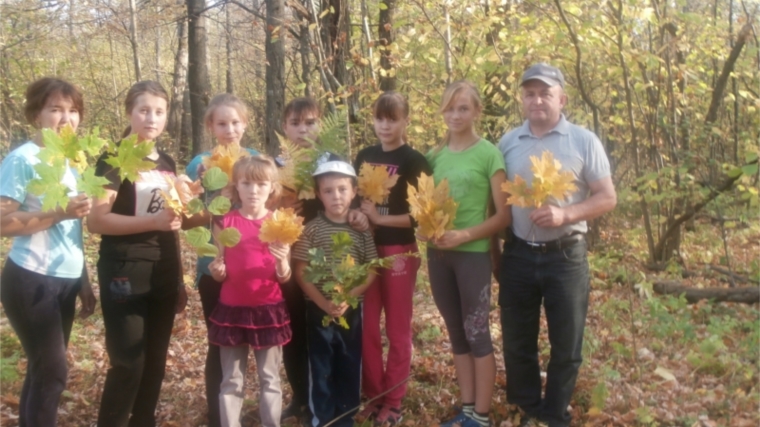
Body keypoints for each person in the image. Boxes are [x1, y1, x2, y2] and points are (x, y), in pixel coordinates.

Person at [497, 63, 617, 427]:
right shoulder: (507, 143)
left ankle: (554, 415)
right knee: (517, 342)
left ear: (561, 99)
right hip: (518, 254)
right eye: (530, 93)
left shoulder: (583, 140)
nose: (537, 100)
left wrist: (566, 214)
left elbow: (607, 197)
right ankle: (526, 408)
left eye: (545, 93)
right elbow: (497, 204)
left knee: (566, 345)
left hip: (566, 256)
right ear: (522, 99)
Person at [88, 81, 187, 427]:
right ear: (129, 112)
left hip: (163, 268)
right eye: (144, 110)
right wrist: (152, 220)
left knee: (156, 360)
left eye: (159, 111)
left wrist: (179, 278)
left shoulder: (167, 162)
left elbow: (171, 221)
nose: (151, 118)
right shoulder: (112, 159)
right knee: (129, 362)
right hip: (124, 269)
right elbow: (97, 220)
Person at [0, 77, 96, 427]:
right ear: (36, 114)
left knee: (42, 371)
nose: (66, 119)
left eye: (73, 111)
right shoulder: (23, 159)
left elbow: (74, 226)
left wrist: (83, 279)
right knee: (54, 372)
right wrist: (58, 212)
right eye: (55, 109)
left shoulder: (75, 160)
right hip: (30, 278)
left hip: (65, 279)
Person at [425, 81, 511, 427]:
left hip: (473, 255)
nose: (455, 115)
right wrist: (424, 229)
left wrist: (465, 234)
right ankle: (467, 407)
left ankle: (482, 415)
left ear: (477, 111)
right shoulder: (433, 156)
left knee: (477, 332)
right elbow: (424, 208)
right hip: (438, 256)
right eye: (449, 108)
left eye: (463, 108)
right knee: (456, 332)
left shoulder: (489, 154)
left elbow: (503, 216)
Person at [277, 97, 368, 422]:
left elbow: (352, 200)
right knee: (294, 333)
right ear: (285, 128)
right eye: (295, 123)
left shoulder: (333, 165)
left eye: (311, 122)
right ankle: (302, 397)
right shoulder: (278, 166)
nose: (303, 130)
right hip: (290, 263)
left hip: (333, 266)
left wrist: (358, 216)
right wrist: (280, 200)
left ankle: (338, 402)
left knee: (331, 336)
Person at [353, 92, 430, 425]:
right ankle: (374, 395)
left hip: (399, 249)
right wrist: (360, 218)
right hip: (367, 251)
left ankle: (394, 398)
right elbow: (354, 202)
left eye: (392, 118)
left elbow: (422, 215)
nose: (385, 125)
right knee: (367, 326)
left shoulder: (415, 160)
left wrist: (380, 218)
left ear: (405, 121)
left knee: (397, 328)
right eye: (380, 118)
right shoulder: (365, 156)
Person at [184, 93, 259, 427]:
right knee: (220, 342)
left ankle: (242, 409)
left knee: (253, 343)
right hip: (214, 267)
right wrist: (219, 200)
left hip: (254, 268)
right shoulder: (200, 163)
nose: (230, 129)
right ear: (210, 126)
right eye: (222, 123)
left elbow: (268, 208)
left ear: (245, 124)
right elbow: (188, 217)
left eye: (235, 122)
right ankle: (219, 417)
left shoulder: (256, 159)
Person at [207, 155, 293, 427]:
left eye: (260, 184)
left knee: (270, 378)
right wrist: (217, 271)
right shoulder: (225, 223)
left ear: (271, 188)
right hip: (232, 309)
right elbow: (218, 266)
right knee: (231, 379)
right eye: (246, 184)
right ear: (235, 187)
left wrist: (281, 261)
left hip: (268, 310)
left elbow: (285, 276)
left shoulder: (279, 223)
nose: (253, 191)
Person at [292, 160, 379, 427]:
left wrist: (348, 297)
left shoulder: (361, 231)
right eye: (328, 191)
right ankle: (323, 418)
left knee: (349, 361)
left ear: (354, 192)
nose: (336, 196)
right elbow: (301, 270)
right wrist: (322, 302)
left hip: (351, 309)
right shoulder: (312, 229)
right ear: (319, 194)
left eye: (342, 189)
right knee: (320, 365)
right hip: (318, 310)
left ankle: (346, 416)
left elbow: (372, 269)